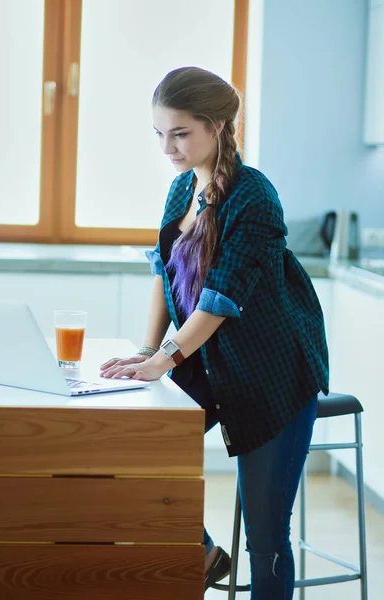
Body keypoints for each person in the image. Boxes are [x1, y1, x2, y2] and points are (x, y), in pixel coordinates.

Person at [99, 66, 329, 599]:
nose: (168, 148)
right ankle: (202, 553)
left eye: (180, 134)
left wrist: (165, 360)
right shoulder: (182, 187)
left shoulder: (255, 197)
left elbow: (221, 297)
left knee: (266, 538)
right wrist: (148, 351)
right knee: (127, 451)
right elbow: (162, 268)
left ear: (219, 125)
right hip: (204, 360)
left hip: (271, 373)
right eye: (160, 134)